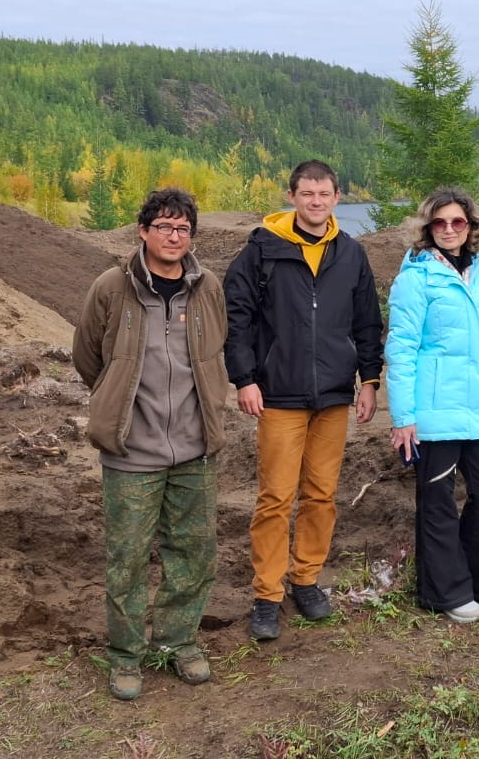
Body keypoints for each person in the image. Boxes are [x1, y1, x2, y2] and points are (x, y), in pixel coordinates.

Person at [72, 187, 230, 701]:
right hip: (130, 451)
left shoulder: (207, 289)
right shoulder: (111, 287)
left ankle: (180, 642)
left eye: (183, 228)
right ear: (143, 232)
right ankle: (125, 655)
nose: (174, 236)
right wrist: (115, 401)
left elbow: (214, 353)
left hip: (193, 447)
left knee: (194, 551)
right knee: (128, 557)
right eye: (164, 226)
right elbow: (88, 357)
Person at [224, 160, 384, 641]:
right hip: (279, 396)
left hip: (334, 395)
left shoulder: (350, 254)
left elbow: (367, 321)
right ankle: (267, 594)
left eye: (325, 194)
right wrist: (244, 379)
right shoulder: (260, 253)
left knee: (321, 495)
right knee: (275, 498)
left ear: (337, 197)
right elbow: (238, 321)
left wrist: (370, 380)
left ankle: (307, 579)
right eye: (307, 193)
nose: (316, 201)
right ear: (292, 196)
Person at [385, 188, 479, 623]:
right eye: (439, 223)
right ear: (427, 229)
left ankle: (478, 579)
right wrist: (403, 418)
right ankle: (443, 591)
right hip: (434, 413)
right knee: (438, 501)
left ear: (471, 228)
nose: (449, 230)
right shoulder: (414, 279)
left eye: (458, 222)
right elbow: (400, 350)